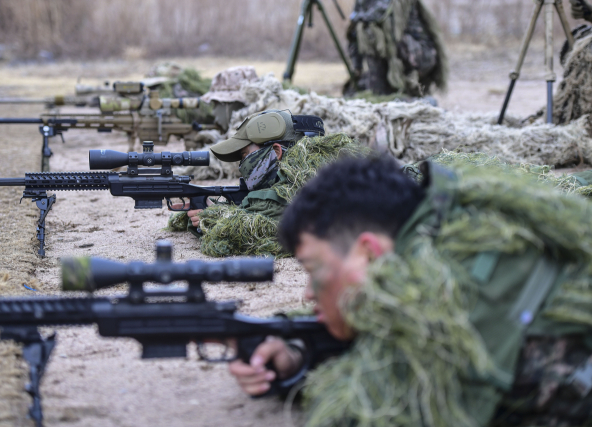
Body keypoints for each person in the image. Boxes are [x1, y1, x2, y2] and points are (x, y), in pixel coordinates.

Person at [229, 155, 592, 426]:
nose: (308, 294)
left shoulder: (454, 290)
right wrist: (294, 348)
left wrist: (306, 367)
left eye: (314, 269)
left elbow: (370, 407)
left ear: (369, 252)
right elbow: (379, 328)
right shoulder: (448, 233)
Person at [168, 109, 325, 234]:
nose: (242, 165)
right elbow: (254, 208)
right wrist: (208, 207)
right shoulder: (291, 181)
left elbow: (269, 227)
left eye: (244, 155)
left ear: (276, 152)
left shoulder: (309, 187)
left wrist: (217, 218)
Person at [346, 0, 448, 97]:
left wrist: (359, 19)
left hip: (419, 56)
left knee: (372, 32)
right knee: (353, 91)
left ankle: (394, 88)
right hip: (393, 57)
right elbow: (354, 35)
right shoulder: (362, 3)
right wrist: (357, 68)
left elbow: (376, 17)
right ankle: (380, 90)